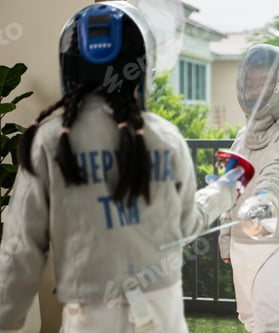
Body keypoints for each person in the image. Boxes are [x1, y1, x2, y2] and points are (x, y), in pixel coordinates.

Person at [0, 2, 246, 333]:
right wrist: (226, 187)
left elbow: (21, 247)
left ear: (69, 67)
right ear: (143, 67)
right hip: (161, 314)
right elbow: (186, 223)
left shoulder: (50, 140)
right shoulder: (165, 138)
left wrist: (7, 319)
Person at [218, 43, 279, 333]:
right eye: (251, 82)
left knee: (273, 322)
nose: (255, 89)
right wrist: (227, 237)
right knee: (250, 320)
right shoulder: (242, 137)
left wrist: (265, 196)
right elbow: (230, 189)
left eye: (265, 82)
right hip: (242, 245)